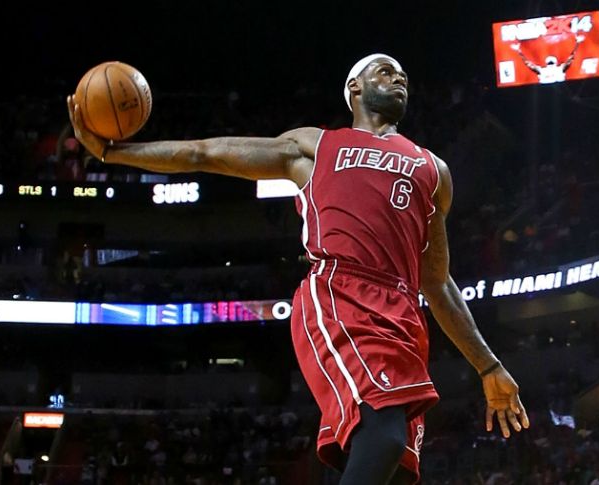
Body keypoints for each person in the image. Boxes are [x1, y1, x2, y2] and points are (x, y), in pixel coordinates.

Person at [66, 53, 529, 485]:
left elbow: (437, 282)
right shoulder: (316, 145)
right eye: (385, 71)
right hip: (341, 294)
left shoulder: (434, 169)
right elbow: (206, 153)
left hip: (404, 313)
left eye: (402, 75)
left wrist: (488, 366)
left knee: (396, 470)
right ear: (354, 87)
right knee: (384, 436)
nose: (398, 78)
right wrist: (114, 153)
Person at [511, 35, 585, 84]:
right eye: (550, 63)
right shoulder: (556, 69)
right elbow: (570, 59)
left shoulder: (546, 70)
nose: (551, 65)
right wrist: (577, 43)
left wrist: (519, 51)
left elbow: (528, 64)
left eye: (551, 63)